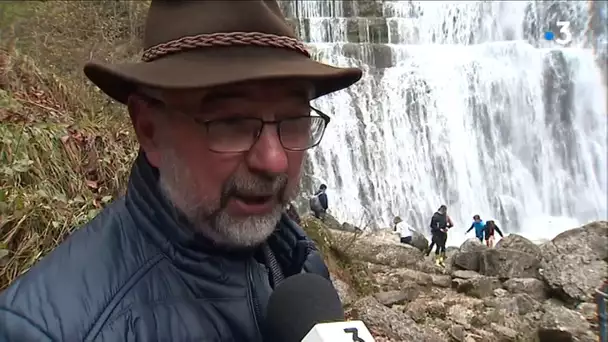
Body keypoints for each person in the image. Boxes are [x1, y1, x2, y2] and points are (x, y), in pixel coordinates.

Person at [0, 1, 363, 341]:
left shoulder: (295, 261)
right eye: (232, 122)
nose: (274, 161)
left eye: (294, 120)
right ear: (150, 129)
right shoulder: (47, 331)